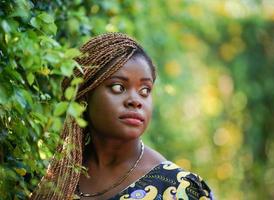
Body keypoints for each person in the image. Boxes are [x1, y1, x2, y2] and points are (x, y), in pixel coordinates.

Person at [30, 33, 213, 200]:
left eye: (145, 90)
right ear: (85, 94)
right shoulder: (56, 177)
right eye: (118, 87)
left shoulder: (180, 188)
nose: (135, 101)